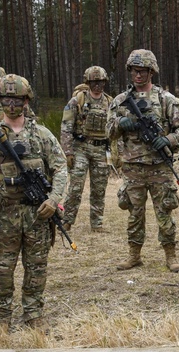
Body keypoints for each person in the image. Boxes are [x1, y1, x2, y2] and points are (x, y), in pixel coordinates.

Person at [0, 74, 68, 331]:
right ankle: (2, 317)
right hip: (3, 215)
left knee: (37, 268)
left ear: (26, 100)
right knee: (2, 270)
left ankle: (33, 313)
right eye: (6, 98)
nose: (12, 104)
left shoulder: (42, 135)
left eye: (17, 98)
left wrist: (53, 199)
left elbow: (61, 169)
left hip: (36, 215)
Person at [108, 49, 179, 273]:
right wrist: (121, 123)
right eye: (135, 71)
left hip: (160, 167)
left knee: (164, 211)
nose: (138, 75)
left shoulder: (166, 99)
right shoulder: (120, 101)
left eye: (143, 71)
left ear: (151, 72)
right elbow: (108, 131)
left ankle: (171, 255)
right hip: (132, 167)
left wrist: (167, 139)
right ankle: (134, 255)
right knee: (134, 214)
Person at [61, 66, 113, 233]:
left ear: (104, 82)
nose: (97, 85)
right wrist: (68, 152)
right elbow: (66, 127)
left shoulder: (110, 102)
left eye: (100, 82)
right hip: (80, 148)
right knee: (76, 187)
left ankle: (97, 223)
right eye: (93, 82)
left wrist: (115, 154)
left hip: (101, 150)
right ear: (88, 82)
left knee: (99, 188)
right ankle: (67, 220)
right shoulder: (77, 101)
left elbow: (115, 129)